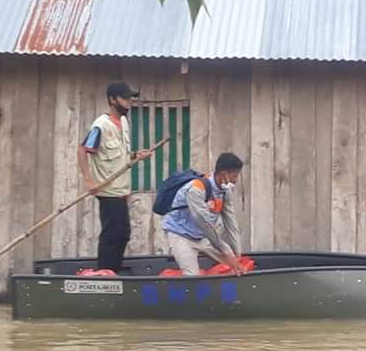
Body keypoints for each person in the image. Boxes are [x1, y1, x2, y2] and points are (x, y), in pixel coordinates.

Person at [78, 81, 152, 273]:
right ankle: (105, 274)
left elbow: (120, 155)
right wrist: (89, 180)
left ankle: (113, 271)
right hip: (108, 190)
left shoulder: (124, 123)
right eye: (125, 98)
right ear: (112, 99)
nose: (128, 103)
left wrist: (136, 155)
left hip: (121, 190)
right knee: (112, 234)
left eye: (130, 99)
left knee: (123, 234)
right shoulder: (101, 126)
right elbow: (83, 149)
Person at [162, 153, 245, 276]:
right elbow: (205, 224)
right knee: (192, 276)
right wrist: (227, 251)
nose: (236, 180)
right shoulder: (196, 189)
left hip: (201, 237)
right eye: (235, 176)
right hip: (180, 234)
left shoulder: (225, 192)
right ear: (223, 175)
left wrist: (237, 255)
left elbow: (231, 223)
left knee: (237, 266)